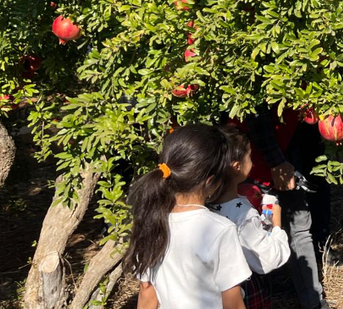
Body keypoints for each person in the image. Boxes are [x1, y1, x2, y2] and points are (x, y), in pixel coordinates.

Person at [125, 124, 251, 309]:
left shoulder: (150, 221)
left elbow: (147, 294)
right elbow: (233, 304)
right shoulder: (221, 230)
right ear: (211, 181)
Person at [244, 106, 332, 309]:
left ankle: (312, 299)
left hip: (284, 154)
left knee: (297, 228)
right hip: (259, 164)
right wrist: (277, 163)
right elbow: (256, 115)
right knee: (264, 227)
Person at [210, 125, 292, 309]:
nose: (253, 163)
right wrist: (276, 224)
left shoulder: (206, 206)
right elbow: (267, 260)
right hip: (243, 292)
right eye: (249, 156)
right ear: (237, 167)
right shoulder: (243, 215)